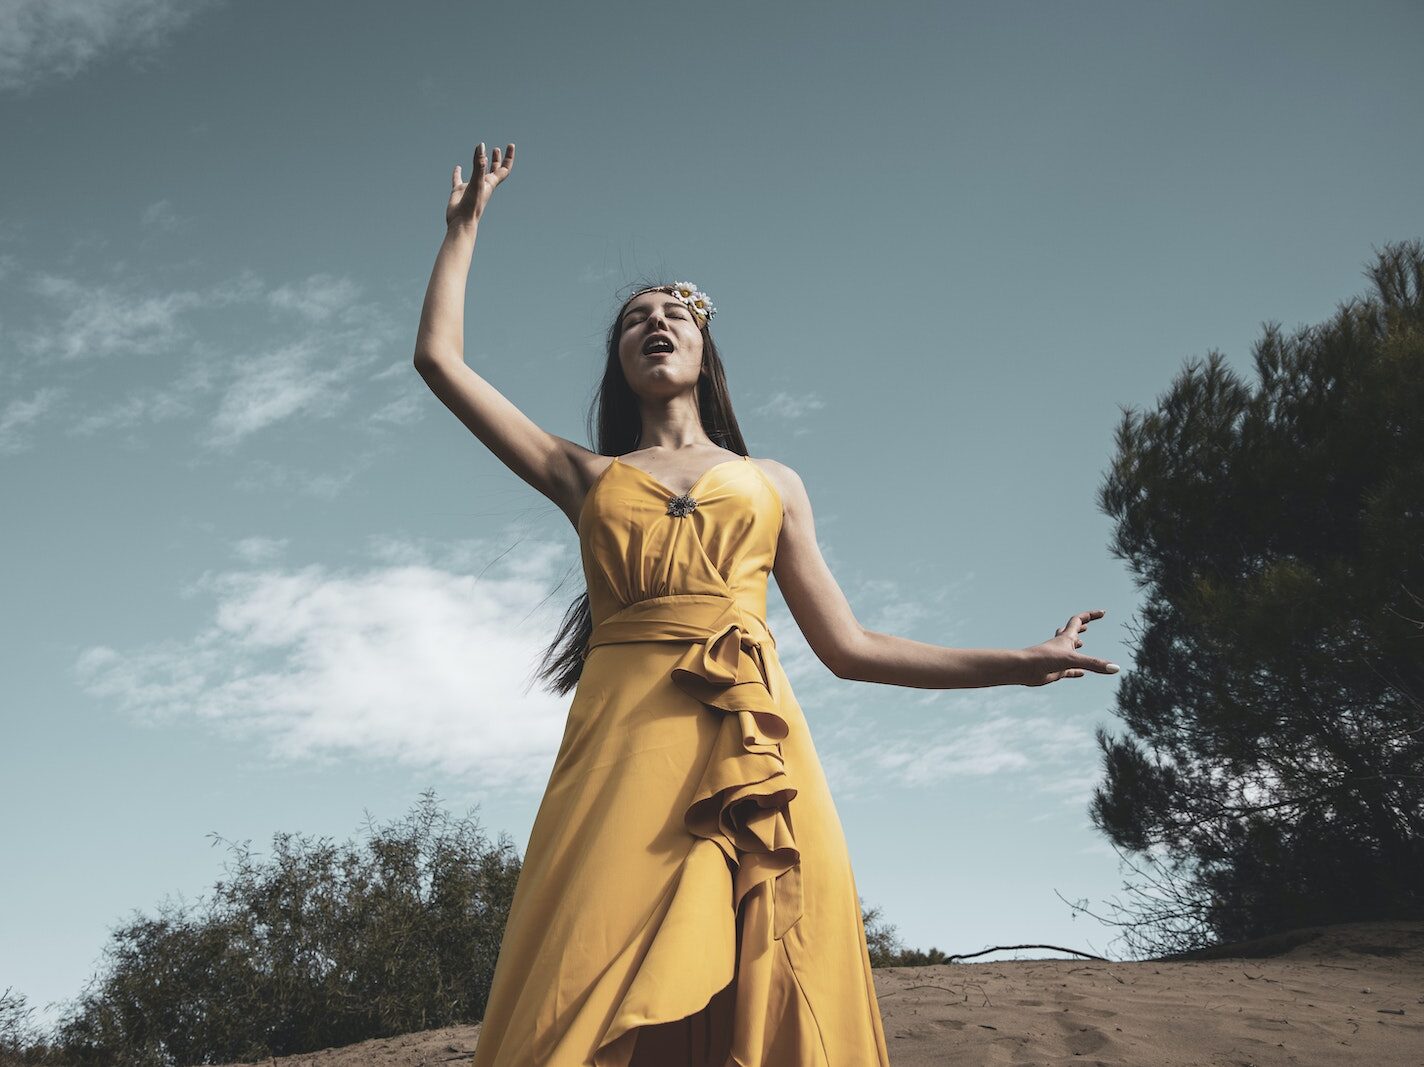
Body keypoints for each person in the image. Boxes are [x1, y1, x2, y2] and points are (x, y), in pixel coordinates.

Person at [414, 141, 1120, 1067]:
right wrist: (463, 232)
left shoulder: (770, 481)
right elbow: (438, 359)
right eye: (634, 319)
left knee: (772, 959)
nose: (654, 322)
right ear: (620, 360)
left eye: (673, 313)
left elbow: (850, 645)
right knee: (581, 960)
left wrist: (1018, 662)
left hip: (755, 741)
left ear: (705, 353)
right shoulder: (584, 476)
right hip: (622, 740)